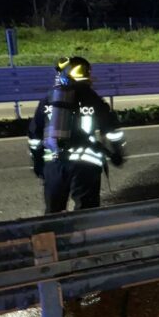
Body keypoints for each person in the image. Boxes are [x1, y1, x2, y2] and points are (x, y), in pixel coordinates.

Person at [28, 56, 126, 214]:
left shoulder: (49, 99)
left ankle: (57, 237)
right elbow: (111, 129)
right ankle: (85, 238)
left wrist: (38, 162)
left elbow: (35, 135)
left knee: (53, 214)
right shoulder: (92, 99)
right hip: (85, 164)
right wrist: (117, 153)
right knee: (86, 215)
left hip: (54, 164)